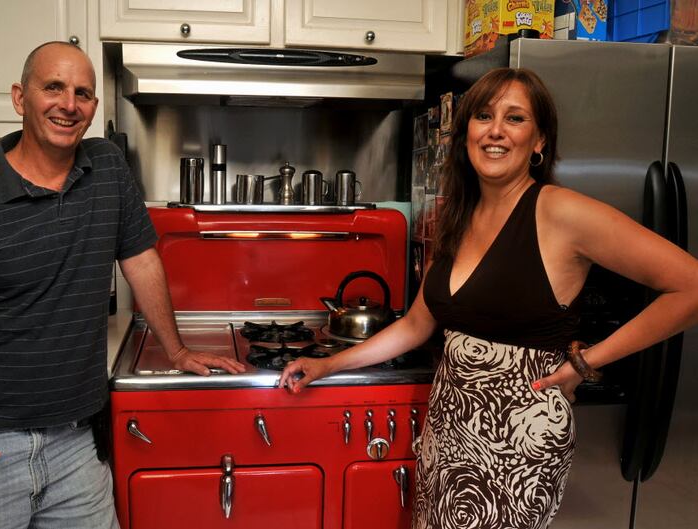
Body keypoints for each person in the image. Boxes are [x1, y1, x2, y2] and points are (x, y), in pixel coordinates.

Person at [279, 67, 698, 529]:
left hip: (518, 444)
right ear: (466, 134)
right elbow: (417, 325)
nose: (495, 130)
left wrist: (586, 362)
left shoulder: (560, 212)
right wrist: (326, 365)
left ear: (539, 141)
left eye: (515, 118)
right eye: (483, 115)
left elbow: (690, 286)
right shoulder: (457, 218)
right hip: (449, 432)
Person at [0, 41, 245, 529]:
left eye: (83, 93)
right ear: (19, 97)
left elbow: (141, 259)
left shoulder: (107, 171)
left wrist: (175, 351)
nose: (68, 105)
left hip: (76, 450)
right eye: (53, 87)